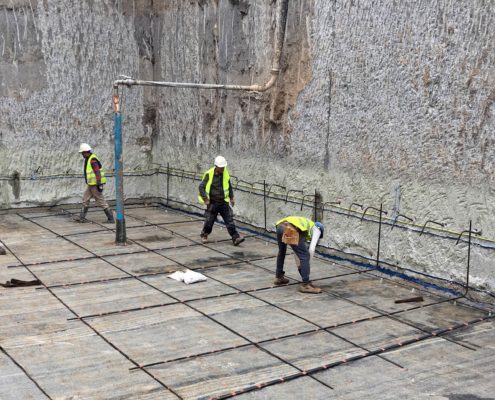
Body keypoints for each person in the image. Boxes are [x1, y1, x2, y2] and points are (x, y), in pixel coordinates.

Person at [198, 155, 245, 246]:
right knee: (209, 221)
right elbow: (201, 187)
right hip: (213, 203)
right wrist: (205, 199)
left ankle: (236, 238)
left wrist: (232, 198)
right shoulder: (209, 174)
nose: (223, 168)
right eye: (221, 167)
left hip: (223, 202)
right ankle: (204, 234)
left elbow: (229, 186)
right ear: (216, 167)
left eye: (224, 167)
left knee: (229, 221)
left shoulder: (225, 173)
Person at [274, 216, 325, 294]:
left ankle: (279, 277)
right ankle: (305, 285)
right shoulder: (318, 229)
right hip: (290, 228)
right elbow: (311, 249)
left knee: (282, 251)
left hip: (280, 226)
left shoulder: (305, 227)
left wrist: (300, 266)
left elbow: (296, 251)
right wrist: (306, 263)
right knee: (305, 255)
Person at [76, 143, 114, 223]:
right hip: (91, 184)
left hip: (95, 184)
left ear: (86, 152)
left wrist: (99, 183)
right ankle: (81, 218)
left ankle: (111, 218)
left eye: (82, 153)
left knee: (100, 200)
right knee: (85, 199)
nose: (82, 154)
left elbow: (97, 172)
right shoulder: (89, 158)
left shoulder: (93, 160)